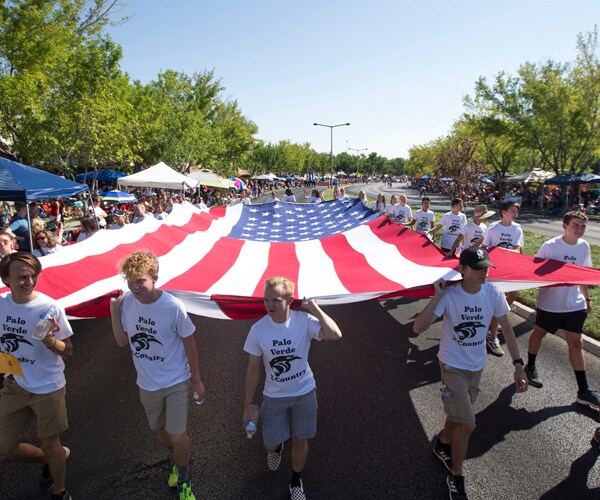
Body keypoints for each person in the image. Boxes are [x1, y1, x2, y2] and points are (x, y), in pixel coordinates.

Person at [413, 247, 527, 500]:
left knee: (458, 415)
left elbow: (507, 330)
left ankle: (442, 443)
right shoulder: (450, 296)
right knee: (468, 423)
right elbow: (418, 327)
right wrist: (436, 297)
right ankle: (456, 476)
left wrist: (519, 364)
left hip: (477, 367)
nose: (484, 272)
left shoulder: (493, 293)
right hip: (452, 367)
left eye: (486, 267)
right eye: (478, 268)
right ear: (463, 270)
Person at [110, 251, 205, 500]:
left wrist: (196, 379)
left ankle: (183, 479)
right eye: (130, 280)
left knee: (176, 434)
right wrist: (114, 310)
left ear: (154, 278)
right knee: (161, 430)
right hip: (147, 384)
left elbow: (190, 343)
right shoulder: (128, 303)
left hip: (175, 381)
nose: (134, 286)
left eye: (140, 280)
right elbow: (122, 341)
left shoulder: (172, 306)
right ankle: (178, 456)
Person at [242, 276, 342, 500]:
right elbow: (252, 368)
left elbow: (335, 334)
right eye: (266, 300)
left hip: (304, 392)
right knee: (270, 444)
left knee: (300, 439)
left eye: (276, 300)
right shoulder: (258, 330)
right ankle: (277, 448)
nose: (269, 305)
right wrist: (247, 406)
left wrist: (314, 308)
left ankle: (296, 479)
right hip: (274, 395)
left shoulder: (303, 321)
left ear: (289, 300)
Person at [0, 252, 74, 500]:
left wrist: (50, 340)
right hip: (15, 384)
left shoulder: (48, 308)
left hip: (48, 387)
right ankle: (51, 458)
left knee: (50, 442)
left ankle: (59, 491)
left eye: (33, 276)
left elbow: (69, 351)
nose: (29, 281)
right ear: (6, 280)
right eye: (22, 277)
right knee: (4, 448)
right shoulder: (1, 305)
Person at [523, 211, 598, 409]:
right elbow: (536, 274)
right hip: (551, 304)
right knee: (539, 333)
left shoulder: (584, 246)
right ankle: (530, 366)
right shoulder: (550, 246)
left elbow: (583, 275)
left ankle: (583, 390)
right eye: (576, 225)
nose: (580, 230)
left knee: (576, 342)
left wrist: (587, 299)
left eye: (583, 226)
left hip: (575, 304)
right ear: (564, 226)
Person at [482, 201, 524, 357]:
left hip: (511, 269)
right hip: (495, 270)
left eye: (516, 211)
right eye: (513, 211)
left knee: (513, 295)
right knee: (500, 301)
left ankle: (493, 320)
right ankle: (492, 337)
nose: (515, 214)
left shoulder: (517, 229)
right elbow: (485, 248)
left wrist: (512, 256)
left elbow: (518, 248)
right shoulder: (493, 229)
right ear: (504, 212)